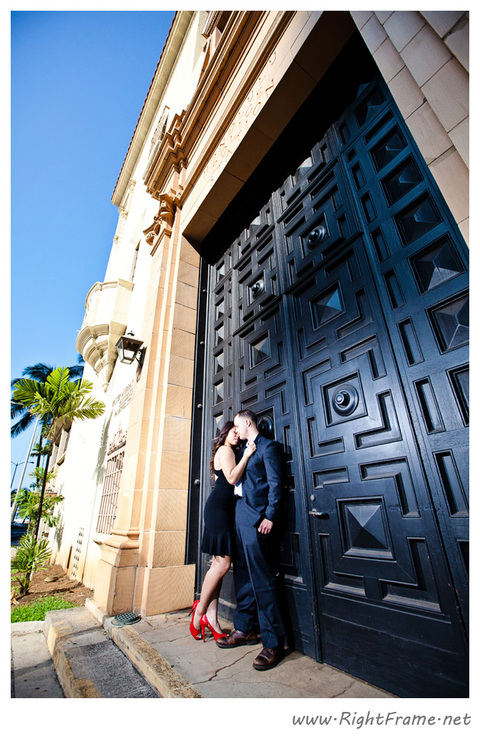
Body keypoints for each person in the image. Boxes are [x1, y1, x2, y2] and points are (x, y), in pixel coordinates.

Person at [216, 409, 285, 671]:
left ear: (247, 422)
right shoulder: (242, 449)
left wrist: (270, 516)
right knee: (243, 576)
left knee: (263, 580)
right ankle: (245, 629)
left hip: (259, 521)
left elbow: (277, 486)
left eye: (238, 426)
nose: (236, 431)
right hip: (240, 517)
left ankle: (273, 643)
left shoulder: (269, 447)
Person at [189, 421, 256, 642]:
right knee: (223, 564)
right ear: (225, 433)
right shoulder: (226, 450)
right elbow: (231, 478)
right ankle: (199, 611)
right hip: (219, 511)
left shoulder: (225, 452)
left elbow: (221, 481)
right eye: (233, 432)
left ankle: (212, 617)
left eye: (239, 432)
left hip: (223, 510)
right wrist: (246, 455)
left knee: (218, 565)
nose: (237, 435)